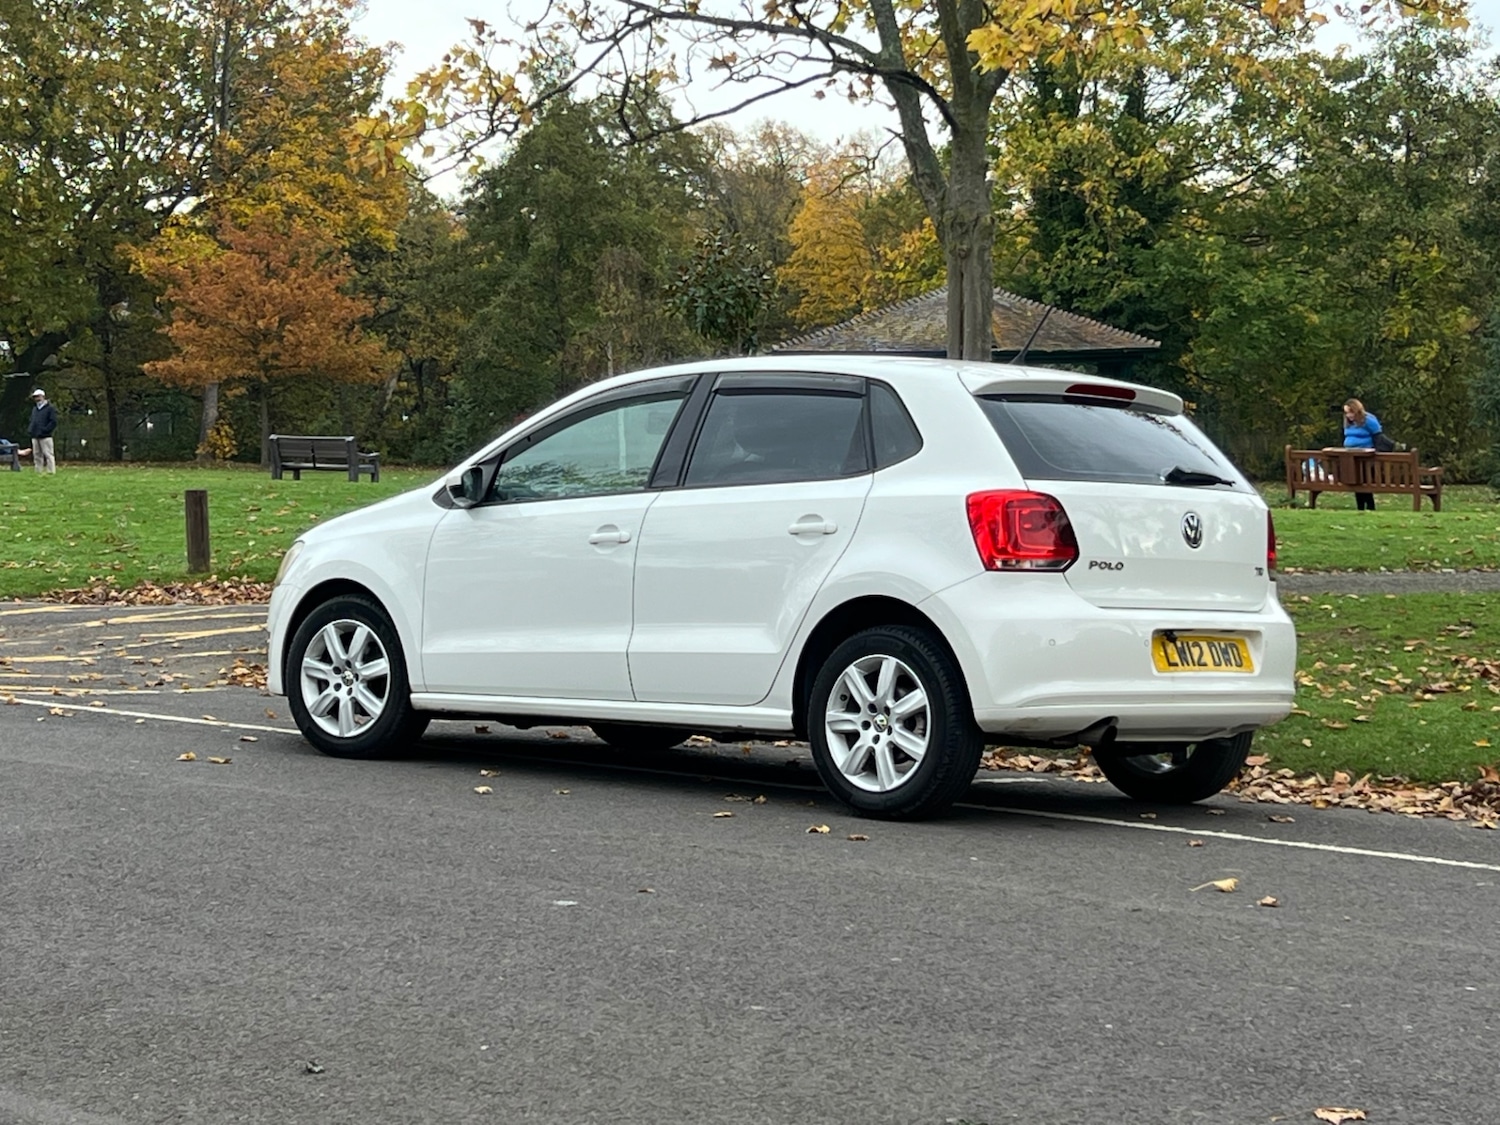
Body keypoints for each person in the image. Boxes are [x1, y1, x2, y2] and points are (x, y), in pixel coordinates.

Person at [1341, 397, 1382, 511]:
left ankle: (1370, 506)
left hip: (1365, 457)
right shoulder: (1349, 423)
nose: (1349, 415)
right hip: (1351, 457)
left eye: (1350, 412)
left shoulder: (1368, 420)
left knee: (1364, 483)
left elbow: (1378, 436)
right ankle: (1360, 508)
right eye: (1346, 413)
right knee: (1356, 483)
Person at [27, 388, 56, 474]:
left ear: (43, 397)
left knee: (48, 454)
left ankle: (51, 471)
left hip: (45, 436)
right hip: (35, 435)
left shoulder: (50, 408)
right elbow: (32, 420)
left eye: (38, 396)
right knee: (37, 455)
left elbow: (53, 422)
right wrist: (31, 430)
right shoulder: (35, 409)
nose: (36, 399)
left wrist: (45, 430)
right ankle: (38, 471)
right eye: (35, 397)